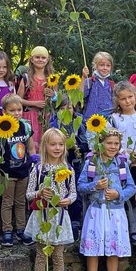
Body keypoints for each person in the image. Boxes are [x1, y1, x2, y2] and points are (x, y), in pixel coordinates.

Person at [78, 128, 136, 271]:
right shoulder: (92, 162)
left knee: (113, 245)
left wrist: (119, 194)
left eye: (116, 144)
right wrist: (95, 186)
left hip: (116, 212)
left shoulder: (122, 163)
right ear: (100, 143)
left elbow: (131, 187)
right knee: (93, 246)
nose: (112, 147)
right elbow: (81, 186)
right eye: (109, 143)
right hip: (96, 210)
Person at [25, 128, 76, 271]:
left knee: (58, 256)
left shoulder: (68, 169)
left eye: (61, 144)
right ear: (45, 146)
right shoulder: (38, 169)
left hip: (60, 218)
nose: (57, 148)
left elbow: (73, 193)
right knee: (41, 255)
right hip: (43, 217)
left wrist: (67, 200)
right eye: (53, 144)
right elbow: (29, 194)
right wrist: (40, 192)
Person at [0, 93, 35, 246]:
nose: (16, 113)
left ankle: (21, 230)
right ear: (4, 111)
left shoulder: (25, 126)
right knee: (7, 202)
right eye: (12, 110)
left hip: (23, 170)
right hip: (6, 172)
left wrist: (34, 163)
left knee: (21, 201)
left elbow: (30, 146)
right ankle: (7, 230)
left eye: (19, 110)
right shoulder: (0, 127)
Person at [107, 81, 136, 246]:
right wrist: (124, 154)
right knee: (123, 194)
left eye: (130, 97)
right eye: (123, 99)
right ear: (117, 101)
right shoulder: (115, 119)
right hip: (121, 164)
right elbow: (112, 140)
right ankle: (120, 228)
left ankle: (134, 230)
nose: (128, 101)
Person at [49, 95, 88, 239]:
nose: (66, 111)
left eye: (69, 108)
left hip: (75, 162)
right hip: (58, 164)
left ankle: (75, 221)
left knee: (75, 191)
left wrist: (74, 144)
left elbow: (86, 144)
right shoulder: (54, 125)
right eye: (62, 108)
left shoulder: (79, 123)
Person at [17, 46, 55, 152]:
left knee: (44, 145)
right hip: (30, 116)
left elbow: (56, 100)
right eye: (37, 57)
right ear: (32, 59)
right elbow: (18, 100)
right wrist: (34, 103)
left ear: (47, 60)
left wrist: (53, 94)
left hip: (45, 117)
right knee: (30, 147)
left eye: (43, 58)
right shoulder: (26, 78)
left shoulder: (51, 78)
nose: (40, 60)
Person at [81, 51, 115, 122]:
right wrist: (84, 77)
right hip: (92, 121)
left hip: (108, 120)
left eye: (108, 65)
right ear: (95, 66)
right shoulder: (90, 81)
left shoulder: (111, 84)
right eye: (102, 65)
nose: (105, 68)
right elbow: (81, 95)